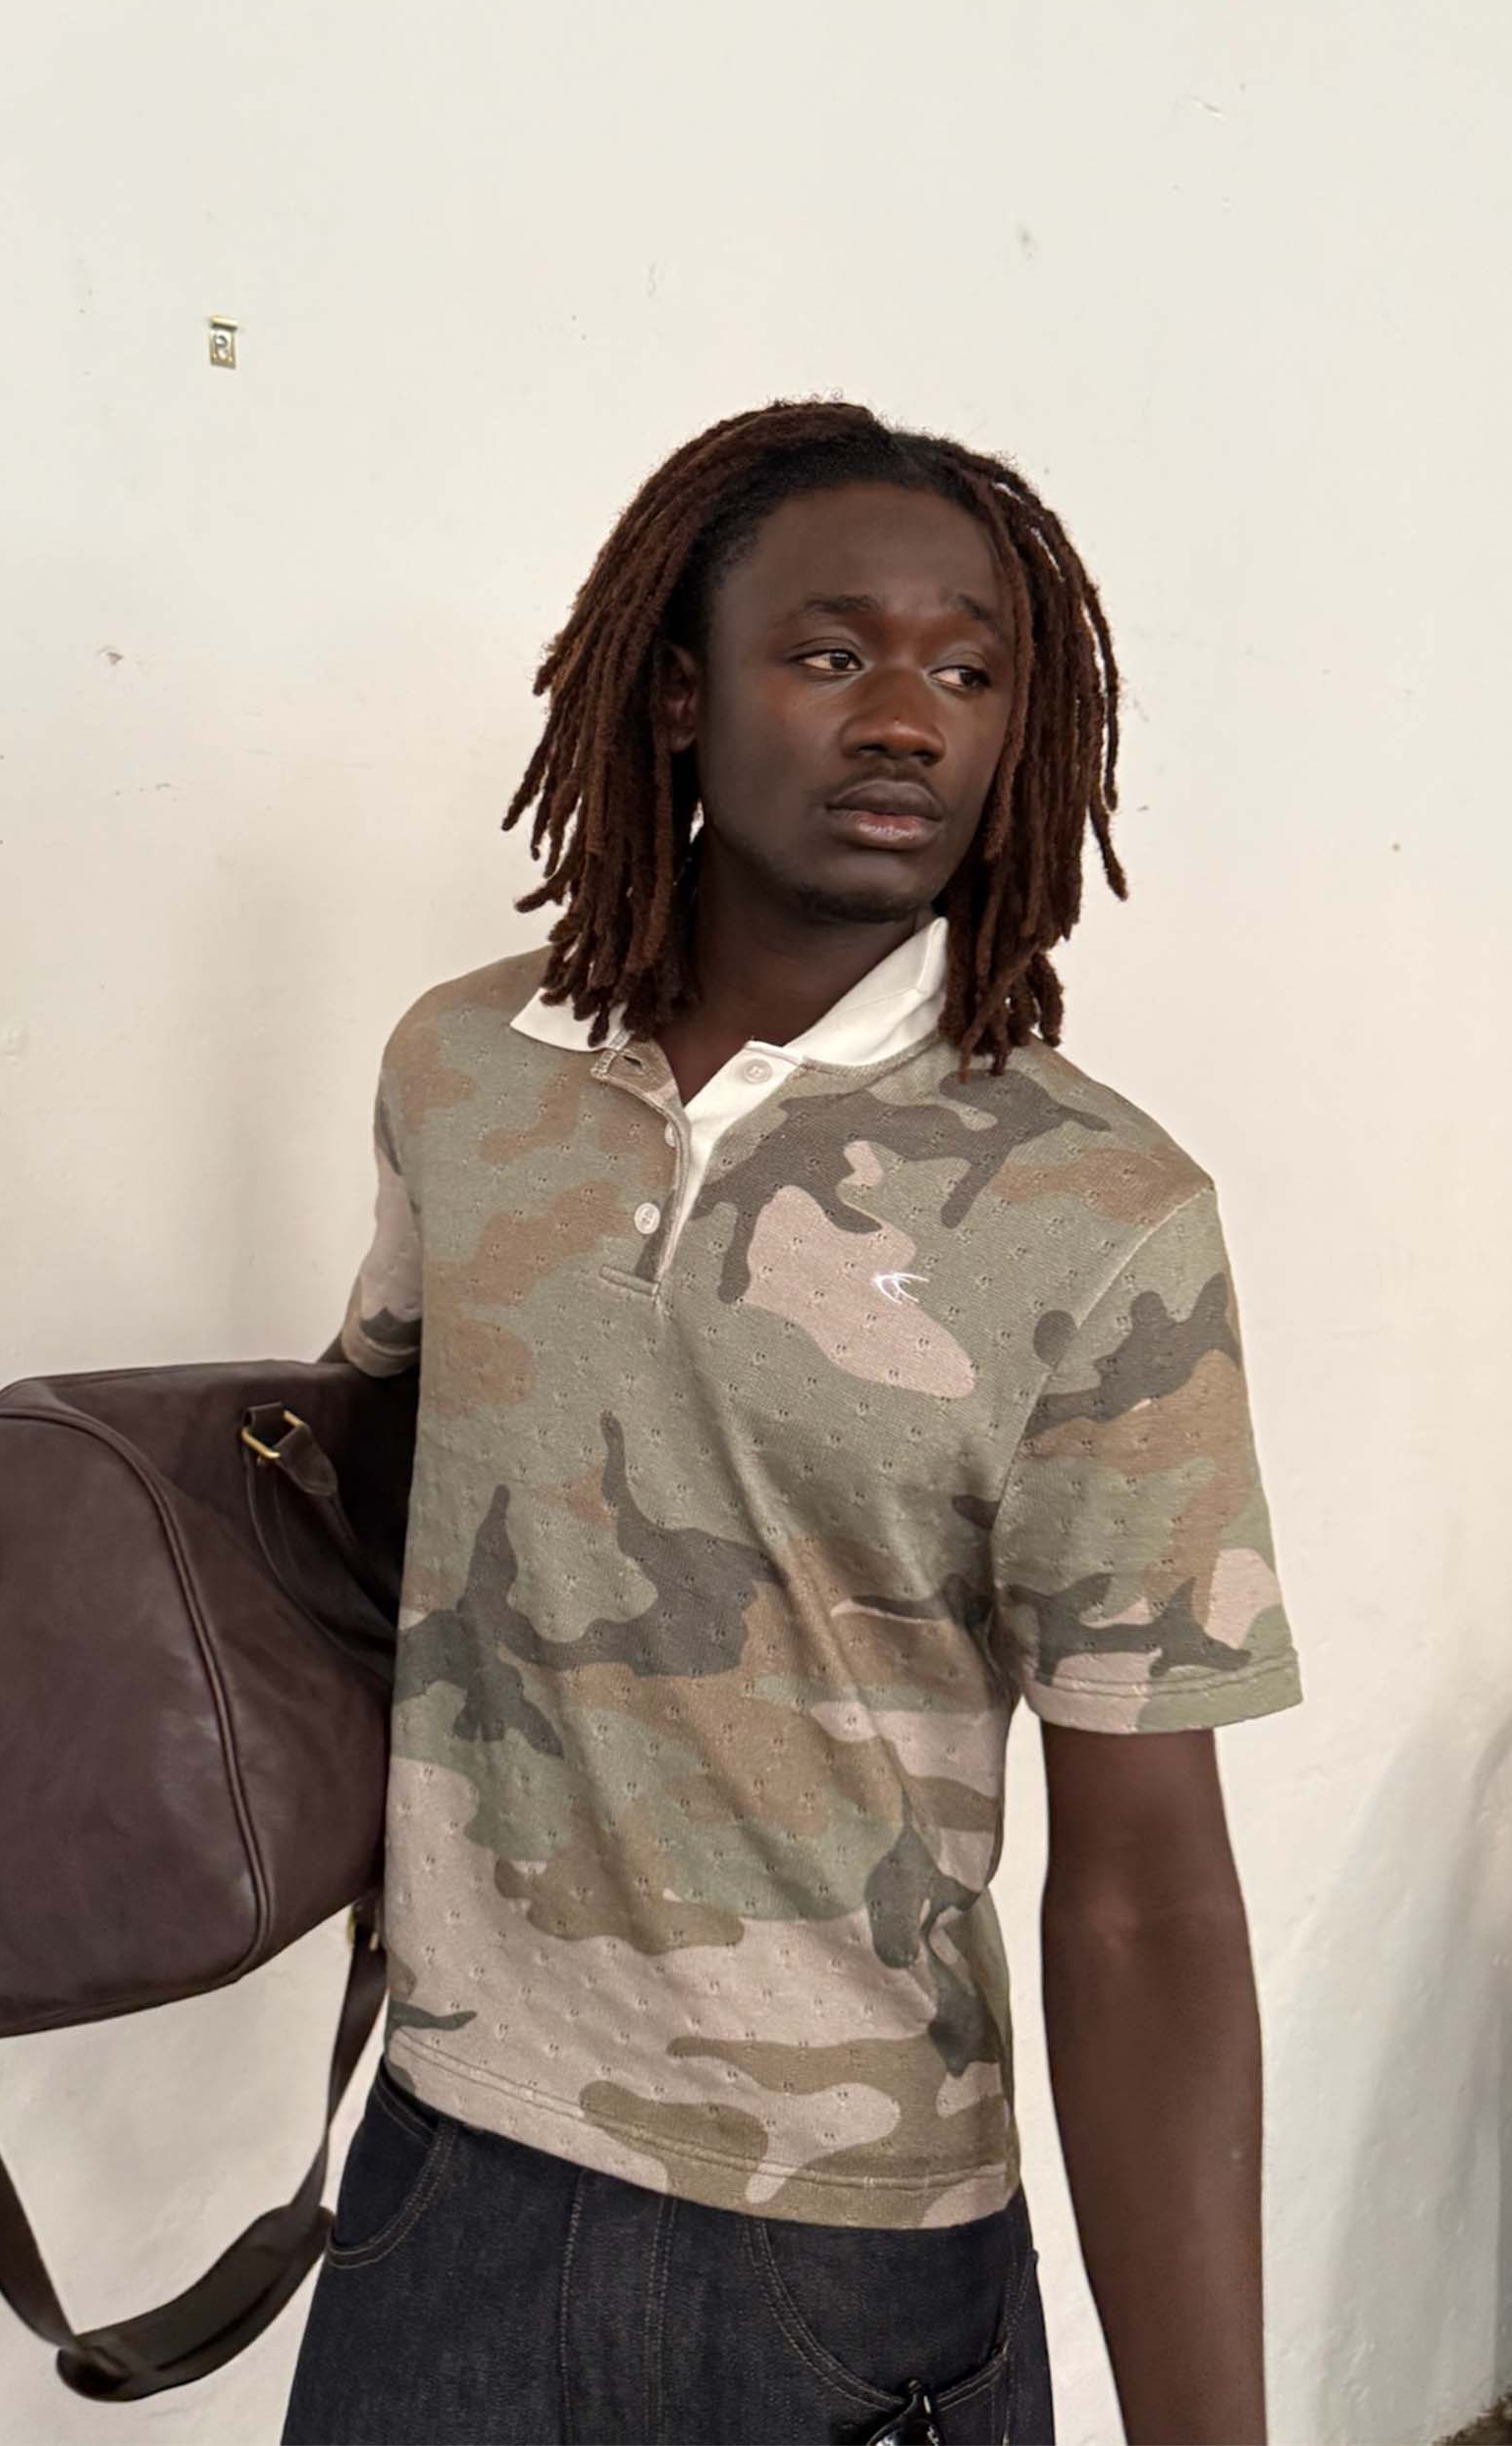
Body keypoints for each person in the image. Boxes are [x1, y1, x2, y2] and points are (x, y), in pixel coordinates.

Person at [281, 398, 1302, 2446]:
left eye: (967, 672)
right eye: (831, 653)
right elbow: (365, 1472)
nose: (906, 719)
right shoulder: (466, 1070)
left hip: (843, 2265)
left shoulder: (1099, 1215)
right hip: (441, 2167)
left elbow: (1145, 1894)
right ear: (677, 694)